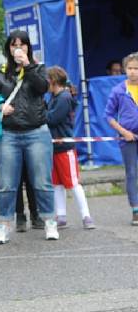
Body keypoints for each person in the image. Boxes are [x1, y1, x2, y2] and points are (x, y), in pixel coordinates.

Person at [0, 30, 58, 244]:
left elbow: (42, 88)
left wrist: (27, 65)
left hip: (37, 132)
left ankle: (49, 222)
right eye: (13, 45)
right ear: (8, 48)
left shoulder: (38, 68)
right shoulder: (0, 73)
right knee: (7, 184)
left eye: (22, 44)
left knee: (42, 181)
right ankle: (4, 225)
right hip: (9, 133)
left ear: (28, 47)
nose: (18, 48)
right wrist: (0, 105)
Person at [46, 66, 94, 230]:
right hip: (54, 148)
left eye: (47, 80)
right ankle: (61, 216)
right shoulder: (55, 97)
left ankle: (86, 215)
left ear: (52, 81)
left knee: (73, 183)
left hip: (64, 148)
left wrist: (38, 113)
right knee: (57, 183)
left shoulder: (63, 98)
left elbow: (52, 119)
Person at [105, 52, 138, 225]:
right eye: (130, 68)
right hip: (128, 138)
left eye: (136, 68)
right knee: (131, 173)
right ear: (125, 69)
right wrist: (123, 131)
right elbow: (108, 116)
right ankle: (135, 209)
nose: (133, 72)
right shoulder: (118, 90)